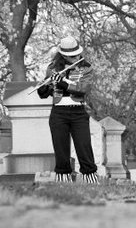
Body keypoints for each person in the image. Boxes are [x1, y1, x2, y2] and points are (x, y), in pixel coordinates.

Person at [37, 36, 99, 184]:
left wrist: (63, 83)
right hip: (58, 113)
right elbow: (45, 94)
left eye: (77, 54)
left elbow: (83, 89)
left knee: (84, 147)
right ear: (63, 55)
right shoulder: (53, 68)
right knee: (61, 148)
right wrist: (45, 88)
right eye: (71, 56)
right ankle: (63, 179)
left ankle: (90, 178)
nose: (76, 57)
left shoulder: (87, 68)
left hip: (78, 112)